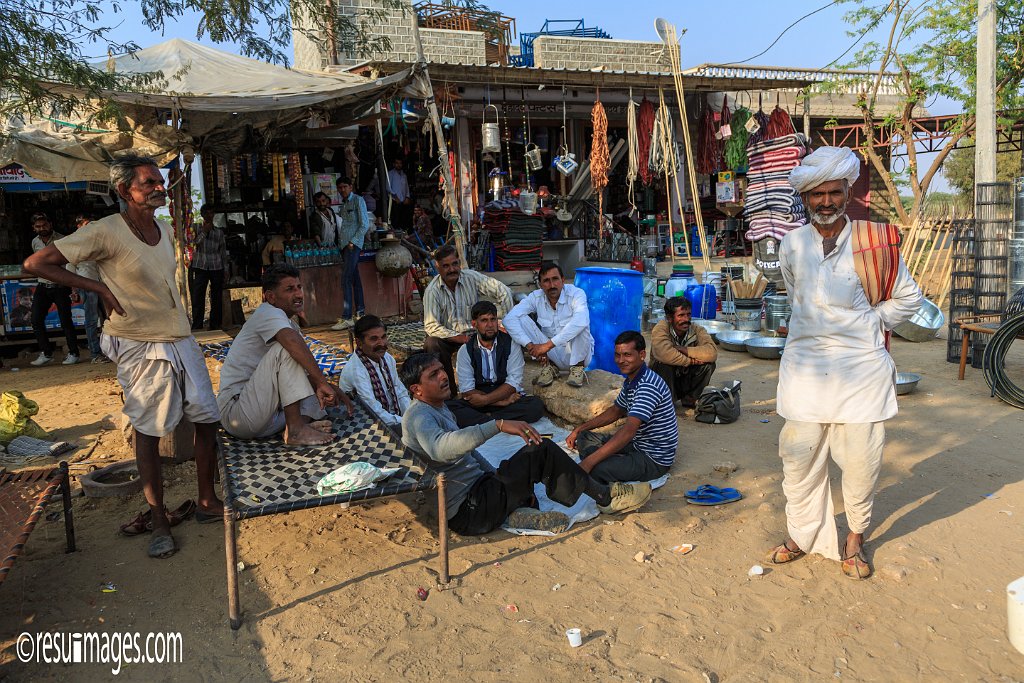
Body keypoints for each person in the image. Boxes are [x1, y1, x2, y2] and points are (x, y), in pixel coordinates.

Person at [24, 153, 223, 559]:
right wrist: (97, 289)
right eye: (148, 182)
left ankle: (206, 501)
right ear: (124, 191)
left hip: (179, 336)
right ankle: (159, 521)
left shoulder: (164, 229)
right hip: (138, 342)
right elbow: (36, 263)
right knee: (149, 432)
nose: (158, 187)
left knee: (208, 419)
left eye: (159, 181)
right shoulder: (105, 231)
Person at [764, 146, 922, 580]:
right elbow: (797, 296)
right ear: (807, 197)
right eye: (818, 195)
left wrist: (873, 321)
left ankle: (855, 536)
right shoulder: (792, 243)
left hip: (860, 369)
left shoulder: (874, 242)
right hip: (806, 367)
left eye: (835, 192)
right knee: (798, 457)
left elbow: (909, 298)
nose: (827, 202)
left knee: (860, 462)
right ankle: (801, 532)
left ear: (848, 192)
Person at [400, 352, 653, 535]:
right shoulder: (419, 416)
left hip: (481, 495)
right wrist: (496, 424)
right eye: (434, 375)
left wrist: (496, 476)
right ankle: (605, 497)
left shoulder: (438, 407)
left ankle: (516, 511)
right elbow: (440, 449)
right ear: (417, 389)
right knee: (540, 451)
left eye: (442, 370)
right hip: (469, 511)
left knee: (528, 457)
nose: (444, 376)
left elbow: (470, 456)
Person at [218, 264, 352, 445]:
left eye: (299, 287)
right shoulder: (267, 312)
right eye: (290, 289)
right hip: (239, 413)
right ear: (271, 297)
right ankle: (297, 430)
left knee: (314, 393)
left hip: (266, 416)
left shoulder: (289, 323)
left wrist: (328, 387)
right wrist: (321, 381)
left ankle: (295, 427)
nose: (298, 294)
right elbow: (290, 343)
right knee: (287, 349)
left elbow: (296, 378)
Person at [566, 331, 679, 486]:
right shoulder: (632, 379)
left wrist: (589, 462)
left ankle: (608, 464)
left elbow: (628, 431)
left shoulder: (647, 386)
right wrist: (579, 428)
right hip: (638, 443)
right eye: (617, 355)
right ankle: (613, 461)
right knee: (585, 437)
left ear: (642, 355)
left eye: (627, 355)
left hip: (653, 458)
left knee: (596, 468)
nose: (620, 360)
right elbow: (616, 411)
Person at [423, 244, 514, 394]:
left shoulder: (471, 277)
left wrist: (505, 323)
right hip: (449, 337)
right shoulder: (432, 291)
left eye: (454, 264)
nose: (452, 269)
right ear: (437, 267)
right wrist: (460, 338)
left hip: (474, 332)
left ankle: (494, 390)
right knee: (432, 343)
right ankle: (448, 394)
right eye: (446, 266)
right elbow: (431, 326)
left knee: (500, 336)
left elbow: (503, 291)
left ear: (459, 263)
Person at [447, 301, 545, 428]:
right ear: (474, 324)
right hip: (482, 396)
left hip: (505, 393)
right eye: (484, 320)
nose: (490, 325)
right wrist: (500, 402)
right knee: (451, 407)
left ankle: (487, 421)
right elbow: (467, 390)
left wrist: (488, 400)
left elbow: (513, 382)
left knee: (535, 406)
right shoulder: (466, 350)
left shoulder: (511, 344)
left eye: (493, 319)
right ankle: (498, 420)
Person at [504, 260, 594, 389]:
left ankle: (577, 369)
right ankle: (551, 367)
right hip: (552, 355)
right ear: (540, 285)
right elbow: (509, 319)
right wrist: (531, 346)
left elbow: (581, 321)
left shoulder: (576, 293)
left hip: (578, 354)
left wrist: (546, 346)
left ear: (563, 280)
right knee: (520, 318)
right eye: (546, 281)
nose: (552, 285)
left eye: (555, 279)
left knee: (581, 323)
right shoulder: (535, 297)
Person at [338, 314, 410, 431]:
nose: (381, 343)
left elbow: (399, 391)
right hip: (368, 425)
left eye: (383, 337)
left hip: (393, 418)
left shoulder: (387, 358)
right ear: (359, 343)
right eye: (374, 339)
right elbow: (373, 411)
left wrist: (410, 415)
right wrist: (406, 422)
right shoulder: (357, 371)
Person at [28, 212, 80, 366]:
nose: (42, 228)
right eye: (38, 226)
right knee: (36, 319)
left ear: (50, 224)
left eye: (44, 225)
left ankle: (73, 353)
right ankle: (46, 353)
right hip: (43, 285)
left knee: (66, 321)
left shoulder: (62, 239)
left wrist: (73, 287)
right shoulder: (35, 242)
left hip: (61, 285)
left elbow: (70, 263)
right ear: (34, 228)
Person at [650, 297, 717, 409]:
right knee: (664, 364)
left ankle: (690, 398)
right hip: (664, 379)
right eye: (681, 315)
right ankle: (665, 402)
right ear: (670, 318)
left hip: (682, 376)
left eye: (688, 314)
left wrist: (684, 349)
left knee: (708, 365)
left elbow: (712, 352)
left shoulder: (697, 329)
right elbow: (664, 353)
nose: (686, 319)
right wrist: (690, 361)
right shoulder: (661, 328)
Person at [330, 176, 369, 331]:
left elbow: (364, 224)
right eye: (340, 187)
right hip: (345, 245)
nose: (342, 190)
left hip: (353, 245)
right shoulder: (344, 204)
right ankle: (360, 312)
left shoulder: (358, 200)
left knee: (345, 279)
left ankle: (347, 317)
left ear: (350, 187)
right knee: (354, 278)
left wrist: (353, 241)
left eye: (345, 187)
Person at [73, 214, 111, 363]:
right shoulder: (76, 242)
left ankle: (107, 351)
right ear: (79, 226)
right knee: (92, 320)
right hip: (87, 284)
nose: (90, 227)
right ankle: (95, 354)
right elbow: (70, 267)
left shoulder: (97, 240)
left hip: (101, 283)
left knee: (108, 319)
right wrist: (74, 289)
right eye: (86, 224)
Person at [189, 204, 228, 330]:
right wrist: (204, 232)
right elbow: (193, 245)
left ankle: (215, 324)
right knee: (198, 297)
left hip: (216, 266)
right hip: (200, 266)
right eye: (206, 213)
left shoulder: (219, 232)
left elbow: (222, 251)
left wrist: (225, 269)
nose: (209, 215)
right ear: (202, 214)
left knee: (216, 297)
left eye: (211, 213)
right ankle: (197, 325)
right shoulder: (195, 228)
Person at [387, 158, 412, 230]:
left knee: (403, 219)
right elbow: (388, 187)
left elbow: (406, 187)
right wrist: (395, 197)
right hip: (394, 201)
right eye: (397, 163)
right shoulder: (390, 174)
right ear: (394, 164)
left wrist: (407, 197)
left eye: (400, 163)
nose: (399, 165)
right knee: (395, 219)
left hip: (403, 201)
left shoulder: (404, 175)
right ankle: (395, 234)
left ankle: (402, 234)